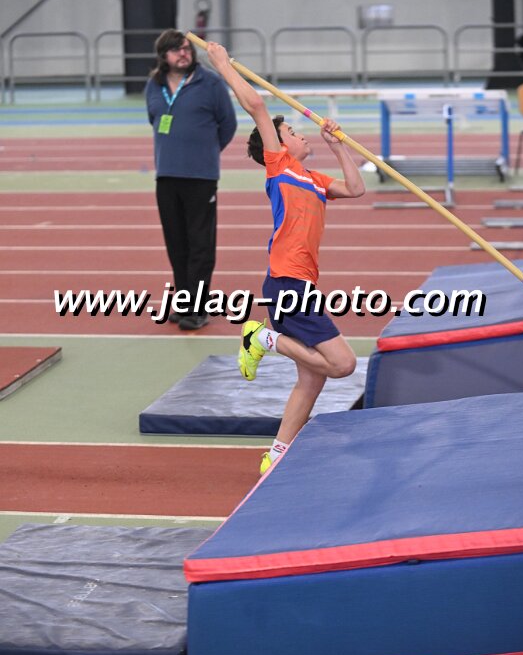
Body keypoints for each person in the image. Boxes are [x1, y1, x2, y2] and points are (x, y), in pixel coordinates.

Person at [207, 41, 366, 474]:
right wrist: (222, 64)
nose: (300, 134)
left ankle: (275, 457)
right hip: (287, 281)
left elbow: (356, 189)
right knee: (343, 365)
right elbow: (256, 104)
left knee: (311, 379)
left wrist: (338, 146)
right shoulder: (278, 165)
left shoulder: (313, 179)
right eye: (293, 131)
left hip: (300, 284)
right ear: (278, 144)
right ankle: (261, 339)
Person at [145, 30, 237, 330]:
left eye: (186, 48)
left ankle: (198, 309)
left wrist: (206, 152)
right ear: (164, 56)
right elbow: (154, 119)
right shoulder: (154, 85)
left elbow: (228, 124)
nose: (184, 53)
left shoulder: (210, 83)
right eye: (176, 50)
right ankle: (184, 303)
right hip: (167, 175)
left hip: (201, 176)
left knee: (200, 244)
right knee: (176, 244)